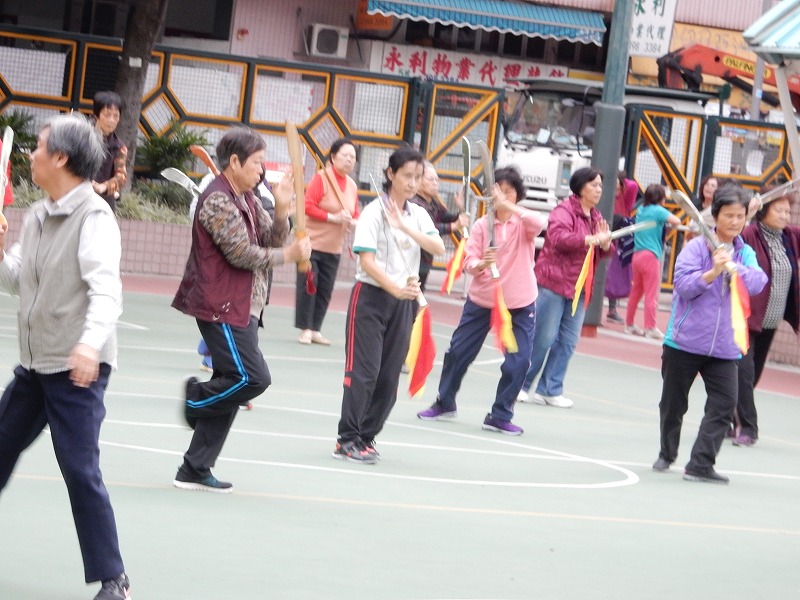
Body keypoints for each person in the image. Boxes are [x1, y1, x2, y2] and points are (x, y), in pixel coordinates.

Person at [0, 114, 131, 599]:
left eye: (38, 146)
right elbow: (14, 279)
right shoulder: (37, 215)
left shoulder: (94, 218)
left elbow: (106, 292)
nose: (31, 154)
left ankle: (114, 580)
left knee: (79, 469)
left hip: (78, 369)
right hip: (36, 366)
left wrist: (89, 345)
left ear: (60, 158)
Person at [172, 127, 311, 492]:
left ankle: (195, 468)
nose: (262, 171)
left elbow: (270, 238)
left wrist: (281, 212)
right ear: (234, 162)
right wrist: (290, 256)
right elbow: (243, 254)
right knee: (251, 378)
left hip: (243, 304)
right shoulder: (218, 200)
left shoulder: (247, 196)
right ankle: (196, 399)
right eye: (257, 163)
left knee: (234, 381)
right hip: (221, 304)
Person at [334, 146, 444, 464]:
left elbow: (437, 246)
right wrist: (395, 288)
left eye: (417, 177)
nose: (412, 183)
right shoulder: (373, 212)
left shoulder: (419, 215)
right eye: (407, 176)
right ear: (391, 175)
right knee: (363, 372)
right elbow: (366, 262)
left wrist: (406, 227)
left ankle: (366, 436)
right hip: (371, 298)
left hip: (404, 303)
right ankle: (347, 439)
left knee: (389, 376)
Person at [416, 167, 547, 434]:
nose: (500, 195)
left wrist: (509, 205)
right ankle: (445, 402)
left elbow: (540, 223)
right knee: (458, 353)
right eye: (496, 190)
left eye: (507, 191)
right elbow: (469, 261)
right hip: (482, 301)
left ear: (516, 195)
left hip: (520, 303)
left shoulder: (524, 223)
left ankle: (500, 414)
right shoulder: (480, 225)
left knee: (519, 361)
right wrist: (481, 264)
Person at [652, 185, 767, 484]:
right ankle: (667, 451)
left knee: (725, 404)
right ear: (715, 216)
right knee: (672, 405)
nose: (734, 221)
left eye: (740, 216)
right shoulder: (695, 248)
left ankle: (700, 464)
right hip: (685, 342)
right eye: (728, 215)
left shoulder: (746, 252)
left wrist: (735, 269)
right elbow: (684, 287)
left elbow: (758, 282)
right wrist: (712, 273)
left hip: (725, 347)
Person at [517, 167, 614, 408]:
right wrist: (587, 240)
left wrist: (605, 243)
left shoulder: (596, 218)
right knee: (543, 338)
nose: (598, 190)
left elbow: (604, 252)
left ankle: (550, 389)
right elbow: (558, 238)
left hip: (580, 288)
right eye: (594, 185)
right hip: (554, 283)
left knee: (568, 341)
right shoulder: (564, 211)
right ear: (580, 187)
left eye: (600, 185)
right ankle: (521, 384)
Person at [735, 189, 800, 446]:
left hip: (770, 321)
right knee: (744, 372)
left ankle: (730, 419)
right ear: (763, 211)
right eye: (779, 210)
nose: (785, 215)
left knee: (753, 374)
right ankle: (749, 428)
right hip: (745, 318)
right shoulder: (751, 233)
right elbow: (732, 237)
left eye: (787, 211)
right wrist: (748, 212)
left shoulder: (790, 237)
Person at [295, 138, 359, 345]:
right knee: (309, 286)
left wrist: (352, 222)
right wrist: (333, 217)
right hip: (311, 243)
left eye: (353, 157)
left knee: (325, 289)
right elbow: (307, 205)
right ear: (333, 157)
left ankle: (315, 329)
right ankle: (305, 328)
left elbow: (354, 212)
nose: (349, 160)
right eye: (345, 155)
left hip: (334, 247)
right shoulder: (321, 178)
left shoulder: (352, 185)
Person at [624, 184, 681, 339]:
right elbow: (675, 220)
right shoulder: (658, 211)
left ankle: (629, 324)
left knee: (636, 292)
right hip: (650, 256)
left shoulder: (641, 210)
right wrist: (668, 227)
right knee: (651, 294)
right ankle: (650, 327)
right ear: (661, 198)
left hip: (637, 255)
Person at [409, 160, 469, 291]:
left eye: (437, 179)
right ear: (418, 181)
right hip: (412, 258)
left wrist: (460, 209)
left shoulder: (433, 201)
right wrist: (455, 225)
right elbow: (429, 229)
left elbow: (446, 217)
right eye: (431, 179)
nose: (435, 183)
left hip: (425, 258)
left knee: (416, 296)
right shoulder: (415, 203)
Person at [605, 172, 639, 324]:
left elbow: (633, 185)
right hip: (605, 233)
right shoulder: (605, 196)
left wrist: (618, 179)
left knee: (615, 274)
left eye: (617, 184)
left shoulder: (625, 197)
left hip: (619, 237)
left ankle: (612, 309)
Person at [90, 91, 127, 213]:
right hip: (79, 199)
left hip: (104, 204)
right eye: (107, 115)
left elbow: (121, 177)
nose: (111, 120)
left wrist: (103, 187)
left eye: (116, 116)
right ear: (96, 115)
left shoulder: (119, 147)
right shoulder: (82, 137)